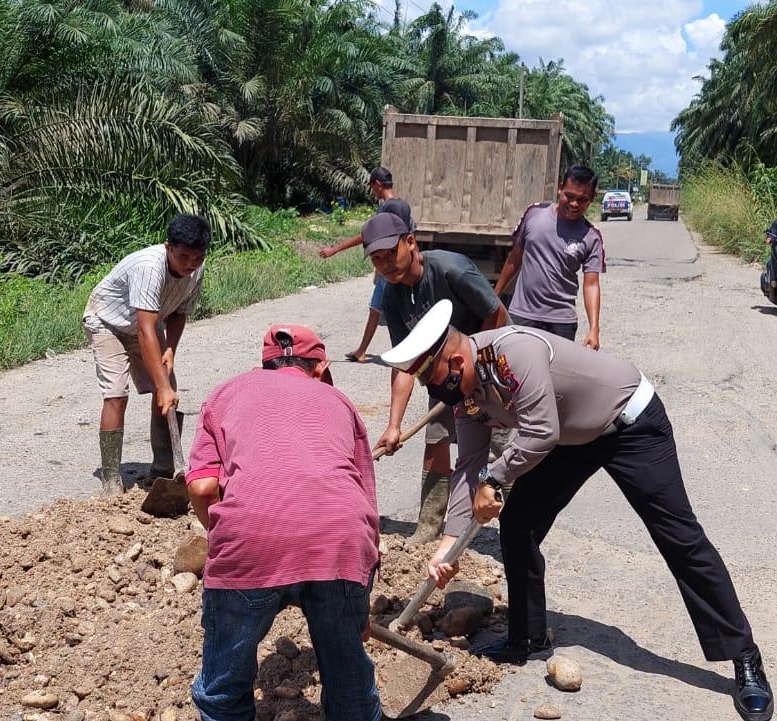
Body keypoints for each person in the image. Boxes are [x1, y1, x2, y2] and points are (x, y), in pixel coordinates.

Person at [380, 300, 775, 721]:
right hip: (571, 438)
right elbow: (468, 467)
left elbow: (540, 432)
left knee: (679, 538)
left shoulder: (515, 353)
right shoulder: (466, 390)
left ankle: (744, 655)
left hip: (630, 424)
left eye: (434, 377)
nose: (435, 391)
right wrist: (445, 547)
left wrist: (494, 480)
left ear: (456, 360)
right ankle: (527, 637)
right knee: (519, 524)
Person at [185, 324, 380, 721]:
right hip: (337, 541)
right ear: (320, 367)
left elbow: (204, 487)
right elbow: (364, 505)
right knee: (350, 685)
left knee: (223, 687)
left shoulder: (226, 393)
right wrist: (359, 606)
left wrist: (227, 537)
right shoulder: (338, 401)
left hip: (251, 539)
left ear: (265, 365)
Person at [362, 212, 507, 543]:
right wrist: (394, 425)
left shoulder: (451, 269)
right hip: (445, 378)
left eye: (390, 254)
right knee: (436, 441)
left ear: (410, 242)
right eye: (377, 259)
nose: (385, 265)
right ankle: (429, 526)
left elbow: (495, 313)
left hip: (490, 367)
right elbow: (405, 364)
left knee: (503, 446)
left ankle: (513, 523)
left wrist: (476, 369)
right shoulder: (391, 294)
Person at [83, 214, 210, 494]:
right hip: (108, 323)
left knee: (168, 392)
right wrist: (161, 386)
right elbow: (145, 329)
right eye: (183, 256)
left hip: (147, 327)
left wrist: (170, 351)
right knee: (117, 394)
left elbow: (179, 313)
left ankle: (164, 472)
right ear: (168, 248)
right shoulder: (149, 267)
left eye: (197, 258)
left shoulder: (196, 270)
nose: (190, 264)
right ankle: (112, 479)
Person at [493, 164, 606, 347]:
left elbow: (591, 284)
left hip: (561, 323)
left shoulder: (591, 237)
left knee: (555, 374)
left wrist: (594, 329)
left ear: (591, 199)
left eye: (582, 199)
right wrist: (494, 296)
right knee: (514, 372)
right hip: (522, 315)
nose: (574, 204)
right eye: (569, 196)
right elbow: (515, 258)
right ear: (560, 189)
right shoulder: (533, 214)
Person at [318, 167, 416, 362]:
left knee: (396, 312)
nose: (372, 191)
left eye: (372, 186)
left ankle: (410, 353)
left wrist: (335, 249)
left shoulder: (390, 207)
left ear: (378, 185)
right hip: (392, 267)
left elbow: (368, 236)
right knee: (376, 308)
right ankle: (362, 350)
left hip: (389, 267)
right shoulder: (401, 205)